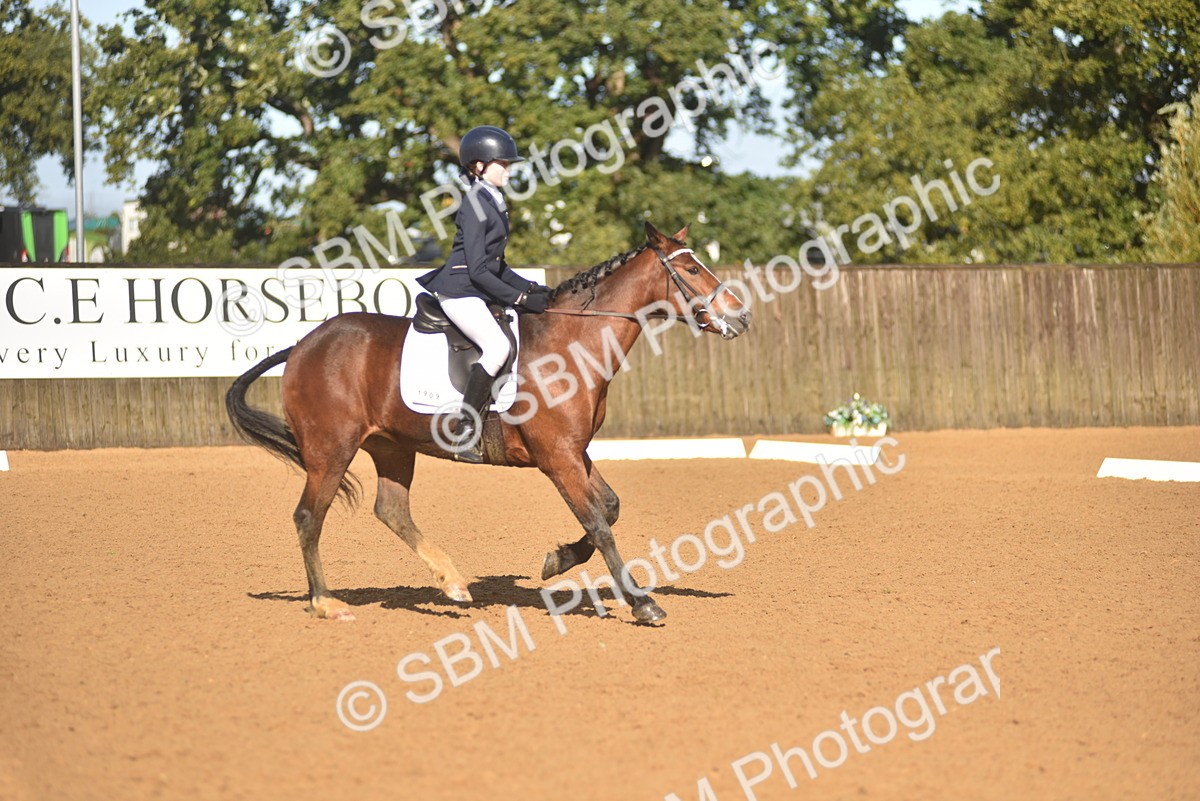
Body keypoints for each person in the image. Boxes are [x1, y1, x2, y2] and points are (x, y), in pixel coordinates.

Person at [417, 125, 552, 463]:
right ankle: (464, 430)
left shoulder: (493, 200)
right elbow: (478, 270)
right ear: (478, 166)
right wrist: (518, 300)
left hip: (475, 287)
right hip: (460, 292)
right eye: (502, 163)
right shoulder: (475, 204)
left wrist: (532, 289)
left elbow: (498, 267)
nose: (508, 169)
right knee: (497, 347)